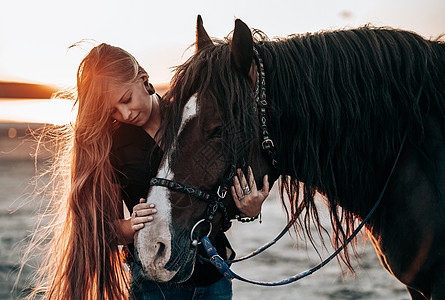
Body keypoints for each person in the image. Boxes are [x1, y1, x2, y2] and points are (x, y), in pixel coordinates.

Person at [29, 43, 269, 300]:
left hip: (214, 277)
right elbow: (100, 231)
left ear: (143, 77)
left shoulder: (192, 120)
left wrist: (249, 210)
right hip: (154, 286)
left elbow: (215, 197)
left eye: (126, 100)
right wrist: (131, 226)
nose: (125, 113)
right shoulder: (114, 146)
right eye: (113, 110)